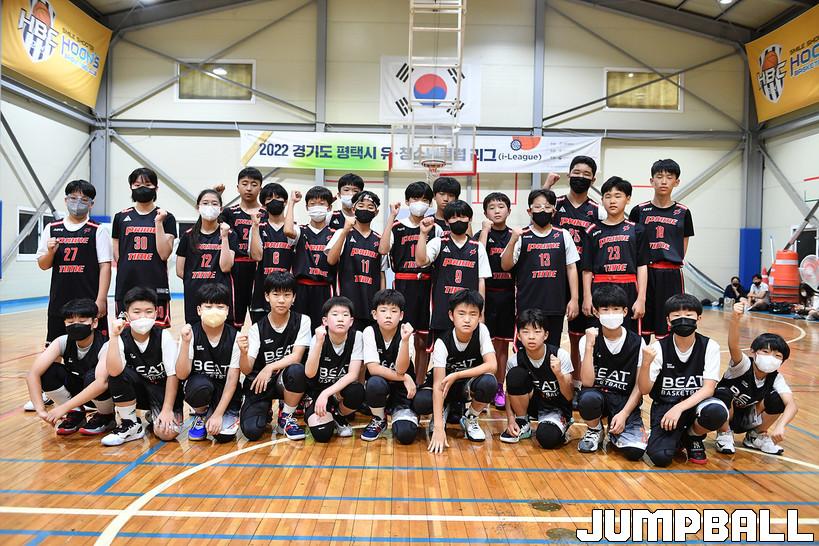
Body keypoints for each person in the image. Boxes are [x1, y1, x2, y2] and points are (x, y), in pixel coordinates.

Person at [542, 156, 605, 404]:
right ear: (569, 175)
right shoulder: (556, 203)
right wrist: (547, 184)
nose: (580, 177)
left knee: (582, 334)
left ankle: (579, 382)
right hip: (556, 276)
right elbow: (538, 207)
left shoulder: (597, 210)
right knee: (552, 332)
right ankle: (548, 381)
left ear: (593, 179)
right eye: (576, 172)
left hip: (585, 275)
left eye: (586, 174)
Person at [638, 294, 729, 466]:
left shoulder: (710, 346)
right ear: (668, 320)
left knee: (716, 411)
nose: (683, 319)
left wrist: (679, 408)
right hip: (666, 405)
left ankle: (693, 436)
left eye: (688, 315)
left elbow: (708, 388)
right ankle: (678, 438)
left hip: (695, 405)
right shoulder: (658, 348)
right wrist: (645, 364)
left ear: (698, 318)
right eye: (677, 315)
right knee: (660, 457)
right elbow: (644, 390)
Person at [415, 289, 497, 452]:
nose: (467, 319)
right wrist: (439, 428)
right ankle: (442, 412)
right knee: (421, 402)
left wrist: (457, 374)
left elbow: (492, 365)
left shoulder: (482, 331)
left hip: (466, 386)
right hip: (444, 387)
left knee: (489, 383)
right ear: (451, 315)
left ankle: (470, 418)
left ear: (480, 316)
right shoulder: (442, 342)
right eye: (461, 313)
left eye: (473, 314)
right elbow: (438, 385)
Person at [714, 301, 798, 455]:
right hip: (726, 415)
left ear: (782, 361)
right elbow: (733, 345)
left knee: (778, 399)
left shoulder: (776, 378)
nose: (771, 357)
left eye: (777, 355)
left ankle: (755, 435)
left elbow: (792, 405)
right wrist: (735, 318)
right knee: (723, 392)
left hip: (749, 418)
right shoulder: (743, 365)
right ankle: (724, 433)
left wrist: (781, 425)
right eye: (765, 352)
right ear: (753, 351)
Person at [379, 181, 442, 384]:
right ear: (407, 201)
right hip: (402, 286)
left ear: (430, 204)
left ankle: (420, 383)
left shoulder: (436, 229)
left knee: (422, 340)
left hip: (426, 286)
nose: (420, 203)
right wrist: (391, 216)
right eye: (415, 199)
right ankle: (399, 381)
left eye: (424, 200)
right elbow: (382, 249)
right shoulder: (396, 227)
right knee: (400, 336)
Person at [103, 287, 182, 446]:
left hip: (162, 392)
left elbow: (173, 375)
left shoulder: (164, 336)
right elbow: (113, 371)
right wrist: (113, 336)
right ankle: (131, 424)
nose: (143, 316)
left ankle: (154, 414)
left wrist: (167, 409)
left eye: (148, 312)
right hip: (137, 392)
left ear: (156, 313)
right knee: (118, 375)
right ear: (126, 315)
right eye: (137, 312)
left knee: (168, 433)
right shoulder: (120, 337)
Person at [501, 189, 580, 346]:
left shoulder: (563, 235)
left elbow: (571, 268)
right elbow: (505, 265)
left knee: (552, 349)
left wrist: (574, 299)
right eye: (537, 207)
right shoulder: (521, 235)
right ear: (529, 211)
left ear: (553, 211)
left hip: (555, 305)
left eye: (547, 207)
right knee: (526, 350)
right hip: (527, 306)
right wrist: (512, 241)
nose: (542, 211)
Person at [576, 286, 647, 460]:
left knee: (635, 452)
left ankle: (617, 431)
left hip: (624, 400)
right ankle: (595, 429)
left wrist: (624, 414)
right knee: (587, 399)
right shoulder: (587, 339)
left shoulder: (638, 343)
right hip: (598, 396)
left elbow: (639, 386)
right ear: (596, 312)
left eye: (615, 309)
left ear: (625, 311)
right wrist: (589, 346)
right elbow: (587, 382)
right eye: (605, 309)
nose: (611, 314)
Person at [37, 179, 111, 343]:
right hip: (59, 300)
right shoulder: (52, 228)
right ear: (66, 200)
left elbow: (105, 266)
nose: (78, 203)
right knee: (56, 346)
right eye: (73, 198)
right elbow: (43, 265)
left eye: (84, 199)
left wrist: (101, 299)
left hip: (89, 298)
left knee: (95, 346)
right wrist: (50, 252)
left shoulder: (98, 230)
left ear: (91, 204)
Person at [26, 299, 114, 436]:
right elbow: (33, 374)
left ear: (94, 323)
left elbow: (101, 383)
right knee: (48, 372)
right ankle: (75, 414)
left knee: (93, 377)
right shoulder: (62, 341)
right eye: (70, 322)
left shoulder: (106, 344)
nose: (76, 325)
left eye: (82, 321)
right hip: (78, 390)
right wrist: (41, 410)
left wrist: (62, 408)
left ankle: (106, 416)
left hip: (104, 395)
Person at [628, 159, 694, 341]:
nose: (664, 181)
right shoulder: (639, 211)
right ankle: (640, 358)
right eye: (659, 176)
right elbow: (632, 243)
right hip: (644, 273)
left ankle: (665, 359)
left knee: (668, 325)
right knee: (641, 324)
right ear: (652, 181)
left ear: (676, 182)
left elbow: (683, 246)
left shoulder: (683, 212)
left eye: (669, 177)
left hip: (671, 274)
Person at [241, 272, 311, 441]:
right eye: (276, 294)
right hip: (262, 383)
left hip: (286, 379)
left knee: (297, 370)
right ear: (267, 296)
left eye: (287, 295)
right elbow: (247, 369)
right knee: (252, 431)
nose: (281, 300)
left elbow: (296, 356)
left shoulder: (303, 321)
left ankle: (286, 416)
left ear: (294, 298)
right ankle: (264, 408)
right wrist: (243, 353)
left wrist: (270, 366)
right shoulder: (256, 329)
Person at [175, 284, 246, 443]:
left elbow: (232, 381)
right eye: (208, 307)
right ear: (199, 310)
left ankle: (220, 412)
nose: (214, 311)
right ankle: (201, 415)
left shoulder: (235, 337)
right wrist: (185, 343)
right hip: (200, 387)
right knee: (199, 386)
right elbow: (181, 374)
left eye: (220, 307)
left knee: (223, 436)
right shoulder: (190, 334)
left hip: (224, 392)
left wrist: (218, 414)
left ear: (227, 311)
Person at [415, 200, 491, 341]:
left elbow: (481, 281)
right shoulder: (438, 242)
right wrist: (423, 234)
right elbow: (420, 261)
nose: (458, 220)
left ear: (470, 219)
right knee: (440, 349)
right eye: (454, 217)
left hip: (468, 311)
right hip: (442, 308)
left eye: (462, 217)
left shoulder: (478, 247)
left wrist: (482, 312)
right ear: (447, 221)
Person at [111, 168, 177, 327]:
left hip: (156, 285)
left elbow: (164, 254)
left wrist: (158, 223)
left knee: (157, 331)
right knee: (125, 331)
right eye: (137, 184)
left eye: (148, 184)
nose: (142, 188)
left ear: (156, 188)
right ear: (131, 187)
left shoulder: (167, 217)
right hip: (126, 286)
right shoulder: (120, 217)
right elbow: (117, 255)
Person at [582, 177, 649, 333]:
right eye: (608, 196)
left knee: (629, 335)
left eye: (618, 196)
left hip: (629, 287)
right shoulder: (591, 230)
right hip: (599, 286)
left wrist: (641, 298)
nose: (612, 201)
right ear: (602, 200)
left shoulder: (637, 230)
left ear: (628, 199)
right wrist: (587, 297)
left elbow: (642, 266)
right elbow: (587, 269)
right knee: (598, 335)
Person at [499, 308, 573, 449]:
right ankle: (522, 421)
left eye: (537, 332)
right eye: (526, 332)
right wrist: (510, 419)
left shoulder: (560, 355)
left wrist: (559, 374)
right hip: (532, 405)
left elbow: (569, 396)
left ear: (546, 335)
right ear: (518, 336)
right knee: (515, 375)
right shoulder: (514, 360)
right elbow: (509, 393)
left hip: (557, 408)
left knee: (547, 438)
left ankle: (562, 424)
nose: (531, 337)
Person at [303, 297, 365, 442]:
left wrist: (327, 393)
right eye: (335, 314)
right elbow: (309, 373)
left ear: (351, 321)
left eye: (345, 315)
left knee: (357, 391)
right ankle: (318, 410)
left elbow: (353, 374)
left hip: (338, 392)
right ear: (325, 321)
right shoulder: (318, 337)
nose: (340, 319)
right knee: (322, 434)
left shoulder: (357, 337)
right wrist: (319, 343)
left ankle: (338, 415)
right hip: (317, 392)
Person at [325, 190, 388, 333]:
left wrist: (381, 303)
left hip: (371, 303)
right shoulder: (342, 233)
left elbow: (382, 273)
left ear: (376, 212)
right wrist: (345, 231)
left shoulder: (379, 239)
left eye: (370, 207)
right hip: (346, 302)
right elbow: (331, 260)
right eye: (361, 205)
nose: (365, 209)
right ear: (353, 209)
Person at [360, 289, 418, 443]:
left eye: (393, 311)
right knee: (374, 382)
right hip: (381, 387)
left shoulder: (406, 333)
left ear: (401, 315)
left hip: (402, 390)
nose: (388, 315)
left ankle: (406, 413)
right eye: (383, 310)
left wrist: (405, 340)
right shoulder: (369, 331)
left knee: (405, 434)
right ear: (374, 314)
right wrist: (405, 378)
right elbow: (373, 369)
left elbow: (401, 369)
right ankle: (379, 418)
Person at [175, 189, 238, 326]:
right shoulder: (188, 235)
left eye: (214, 203)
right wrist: (197, 279)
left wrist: (224, 237)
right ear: (198, 207)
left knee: (222, 331)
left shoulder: (230, 234)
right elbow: (180, 271)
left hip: (220, 294)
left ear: (221, 209)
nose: (210, 206)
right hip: (194, 294)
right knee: (195, 332)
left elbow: (226, 267)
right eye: (205, 203)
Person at [477, 192, 516, 409]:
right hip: (486, 295)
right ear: (485, 213)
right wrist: (485, 231)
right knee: (484, 344)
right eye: (492, 208)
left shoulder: (515, 235)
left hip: (507, 295)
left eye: (501, 206)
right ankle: (484, 388)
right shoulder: (481, 234)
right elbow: (478, 257)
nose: (497, 211)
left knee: (502, 345)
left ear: (509, 211)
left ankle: (499, 386)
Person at [285, 186, 337, 330]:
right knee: (298, 327)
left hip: (324, 288)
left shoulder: (335, 233)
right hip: (301, 287)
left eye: (321, 203)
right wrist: (292, 202)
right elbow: (287, 230)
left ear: (329, 207)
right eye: (312, 204)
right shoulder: (300, 230)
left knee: (322, 329)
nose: (317, 207)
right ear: (307, 208)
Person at [220, 167, 264, 328]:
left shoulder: (266, 213)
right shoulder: (228, 213)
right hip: (235, 269)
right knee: (233, 320)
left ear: (260, 188)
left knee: (260, 319)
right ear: (237, 187)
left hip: (259, 268)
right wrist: (217, 195)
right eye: (244, 184)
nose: (249, 188)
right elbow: (209, 222)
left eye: (254, 184)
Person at [248, 182, 297, 324]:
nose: (274, 201)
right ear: (264, 205)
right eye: (269, 199)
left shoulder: (294, 229)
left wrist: (293, 203)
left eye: (278, 197)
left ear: (285, 202)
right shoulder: (258, 227)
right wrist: (255, 226)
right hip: (262, 287)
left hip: (287, 288)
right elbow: (257, 256)